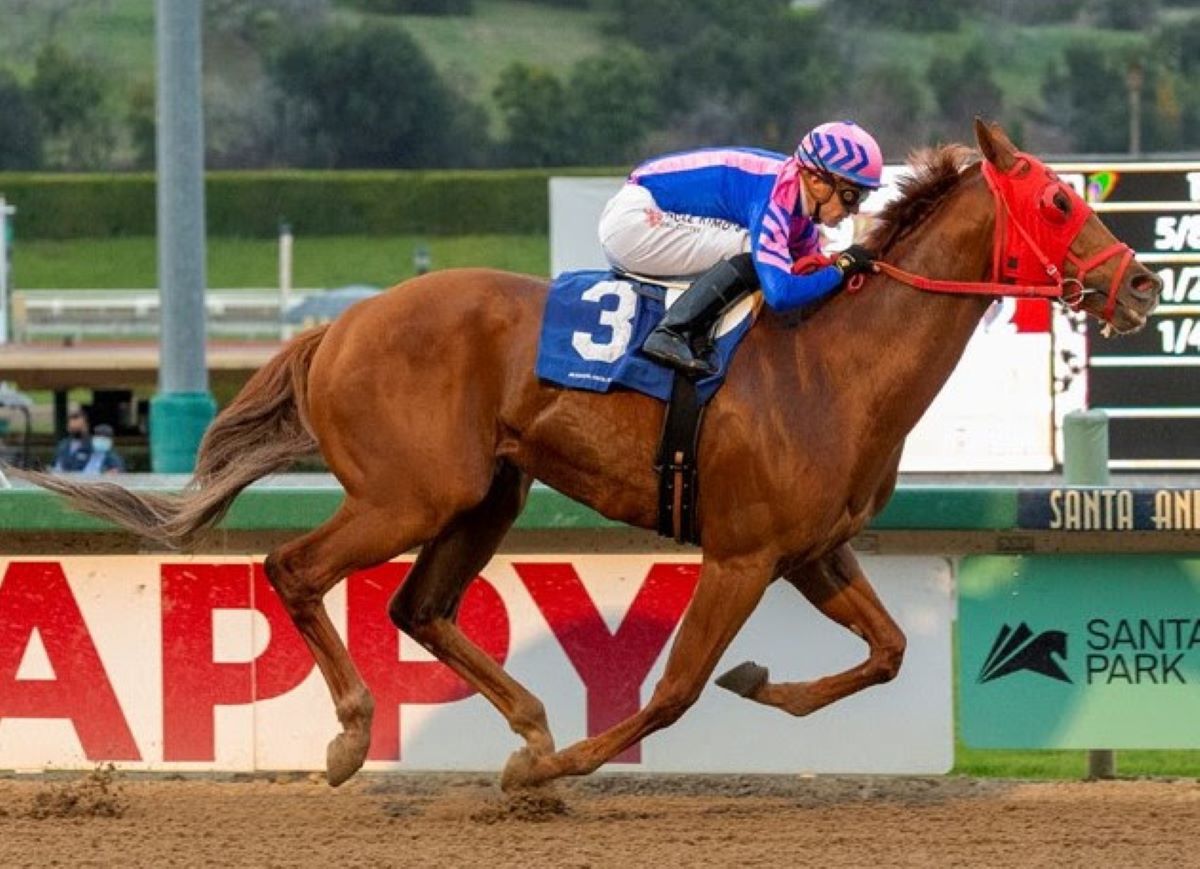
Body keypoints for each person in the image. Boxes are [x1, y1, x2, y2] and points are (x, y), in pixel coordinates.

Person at [599, 120, 884, 375]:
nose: (855, 208)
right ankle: (674, 332)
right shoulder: (777, 194)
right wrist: (842, 266)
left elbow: (811, 273)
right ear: (816, 181)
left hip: (648, 212)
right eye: (850, 195)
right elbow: (781, 294)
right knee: (751, 250)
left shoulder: (800, 216)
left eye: (862, 197)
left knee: (766, 254)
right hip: (635, 220)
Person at [51, 407, 93, 473]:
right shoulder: (63, 444)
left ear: (86, 426)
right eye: (73, 427)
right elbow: (55, 464)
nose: (75, 429)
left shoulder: (93, 445)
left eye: (79, 427)